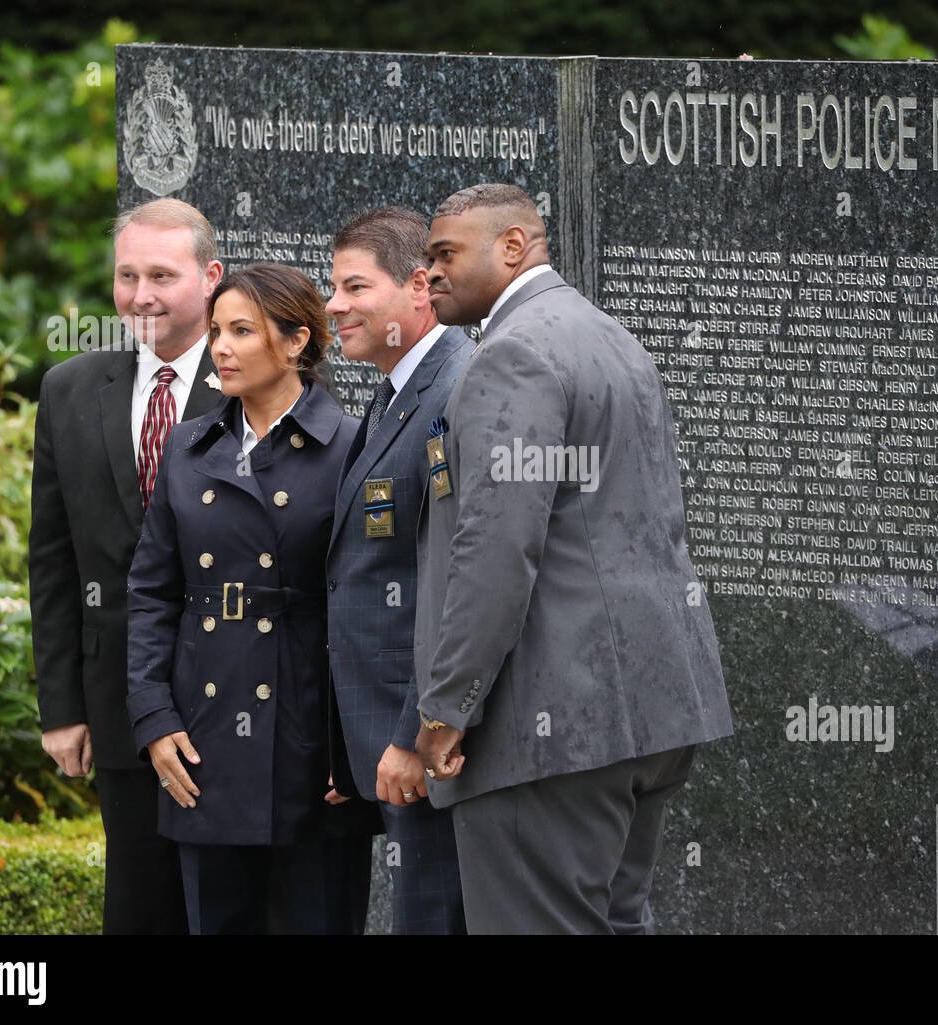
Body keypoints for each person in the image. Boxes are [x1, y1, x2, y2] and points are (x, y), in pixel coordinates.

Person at [413, 183, 735, 934]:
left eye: (445, 253)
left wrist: (446, 707)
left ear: (515, 246)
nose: (429, 273)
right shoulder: (610, 335)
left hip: (548, 727)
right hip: (646, 714)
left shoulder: (514, 353)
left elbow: (497, 550)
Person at [125, 262, 377, 934]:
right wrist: (154, 720)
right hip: (204, 744)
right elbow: (151, 592)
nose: (222, 348)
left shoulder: (354, 448)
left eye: (243, 330)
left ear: (296, 341)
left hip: (312, 745)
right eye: (216, 331)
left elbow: (376, 605)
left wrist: (351, 750)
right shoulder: (189, 447)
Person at [29, 197, 225, 934]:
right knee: (139, 905)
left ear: (209, 277)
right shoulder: (69, 388)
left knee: (234, 903)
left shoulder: (264, 380)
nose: (140, 295)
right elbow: (50, 558)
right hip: (115, 699)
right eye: (126, 275)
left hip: (235, 696)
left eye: (161, 276)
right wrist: (62, 706)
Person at [323, 207, 473, 934]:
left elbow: (457, 581)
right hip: (376, 737)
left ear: (419, 286)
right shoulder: (392, 392)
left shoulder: (456, 390)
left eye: (355, 286)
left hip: (420, 745)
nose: (333, 306)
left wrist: (416, 732)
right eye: (332, 287)